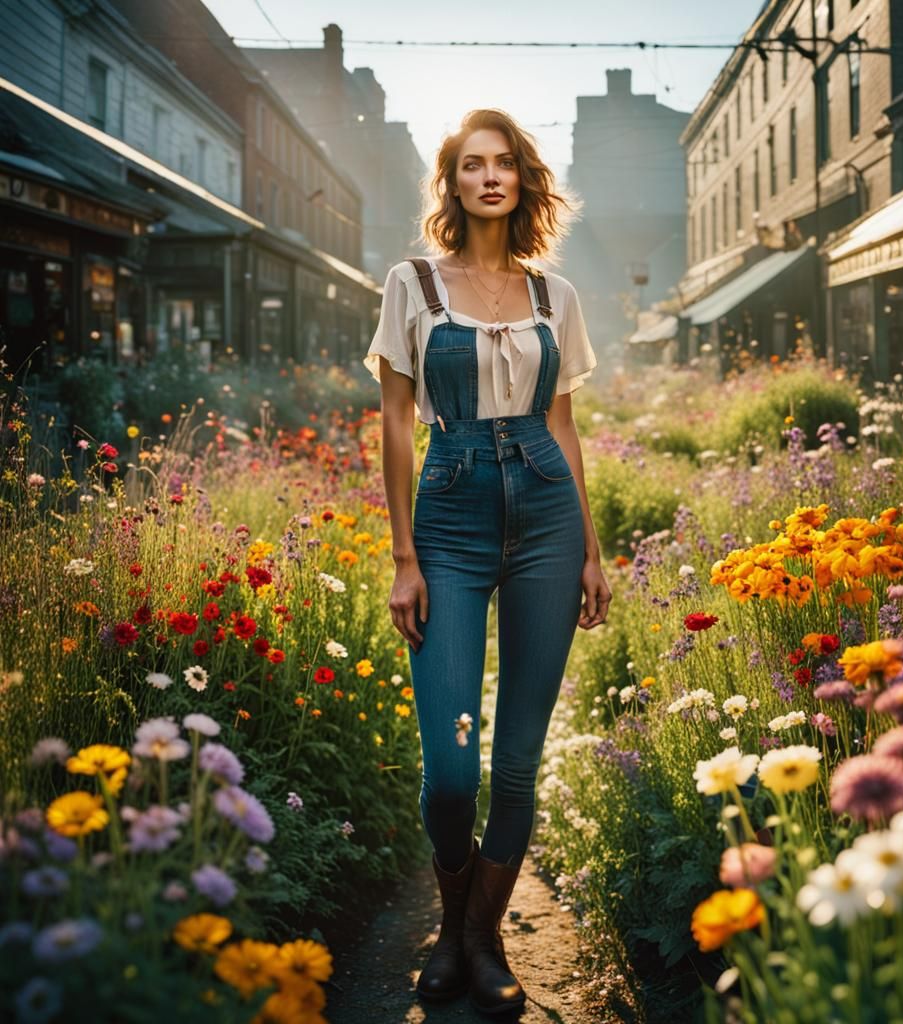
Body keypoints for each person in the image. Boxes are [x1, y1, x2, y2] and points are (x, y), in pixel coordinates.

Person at [363, 108, 612, 1016]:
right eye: (474, 165)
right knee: (452, 770)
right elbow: (395, 421)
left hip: (546, 514)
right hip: (452, 517)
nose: (492, 177)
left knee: (516, 763)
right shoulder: (413, 285)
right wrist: (404, 556)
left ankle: (478, 937)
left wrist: (590, 548)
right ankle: (451, 913)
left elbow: (563, 425)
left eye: (506, 162)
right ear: (454, 183)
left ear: (523, 180)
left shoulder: (556, 296)